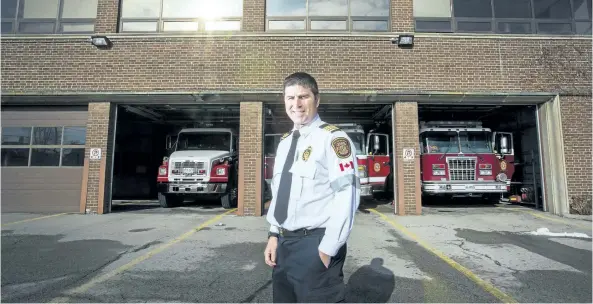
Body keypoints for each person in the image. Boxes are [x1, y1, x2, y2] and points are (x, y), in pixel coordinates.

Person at [263, 72, 361, 303]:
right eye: (290, 98)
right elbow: (280, 192)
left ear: (317, 99)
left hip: (315, 244)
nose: (295, 104)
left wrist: (328, 248)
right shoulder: (286, 142)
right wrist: (273, 234)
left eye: (303, 97)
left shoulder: (334, 140)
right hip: (284, 246)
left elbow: (347, 195)